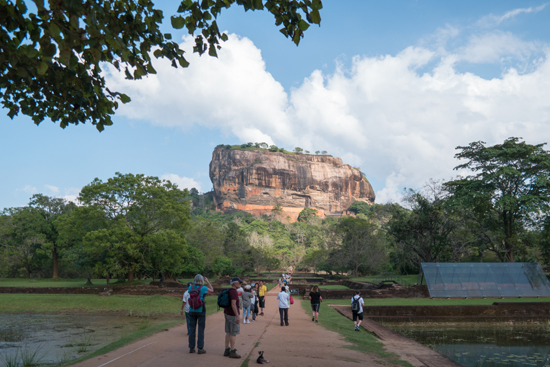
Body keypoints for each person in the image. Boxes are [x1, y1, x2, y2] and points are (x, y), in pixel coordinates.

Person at [188, 274, 213, 354]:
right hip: (201, 310)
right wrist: (207, 281)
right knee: (201, 329)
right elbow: (212, 290)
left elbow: (190, 294)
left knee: (192, 329)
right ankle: (200, 348)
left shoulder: (190, 287)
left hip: (192, 309)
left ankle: (191, 348)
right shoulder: (203, 288)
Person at [224, 277, 243, 359]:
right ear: (235, 283)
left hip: (227, 313)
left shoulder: (228, 291)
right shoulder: (234, 292)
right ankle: (232, 351)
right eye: (239, 282)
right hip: (232, 314)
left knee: (228, 332)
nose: (240, 284)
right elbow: (233, 304)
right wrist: (237, 316)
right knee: (233, 333)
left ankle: (226, 349)